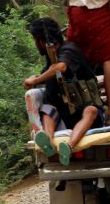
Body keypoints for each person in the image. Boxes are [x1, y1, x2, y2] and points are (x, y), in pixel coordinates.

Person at [24, 18, 103, 166]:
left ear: (41, 42)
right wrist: (33, 79)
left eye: (35, 40)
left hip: (84, 111)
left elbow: (61, 68)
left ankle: (69, 146)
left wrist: (34, 81)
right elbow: (46, 73)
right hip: (65, 116)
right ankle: (48, 142)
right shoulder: (50, 59)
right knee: (47, 110)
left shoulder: (69, 50)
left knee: (91, 110)